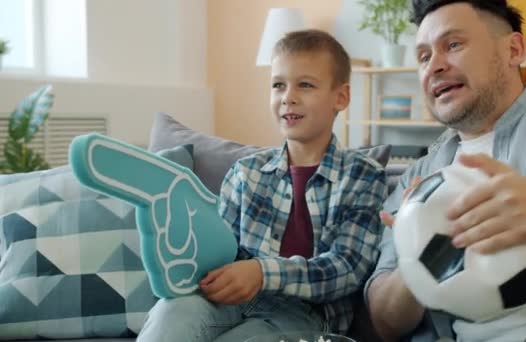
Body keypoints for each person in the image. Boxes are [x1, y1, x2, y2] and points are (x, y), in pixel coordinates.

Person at [365, 0, 526, 341]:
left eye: (453, 45)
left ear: (513, 49)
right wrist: (417, 258)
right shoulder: (417, 180)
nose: (434, 65)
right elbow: (384, 324)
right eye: (423, 57)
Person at [137, 29, 387, 341]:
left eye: (305, 85)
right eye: (278, 85)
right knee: (171, 311)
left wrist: (262, 272)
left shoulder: (363, 176)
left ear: (342, 97)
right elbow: (222, 251)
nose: (288, 96)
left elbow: (347, 268)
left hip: (309, 315)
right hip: (233, 301)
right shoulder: (245, 172)